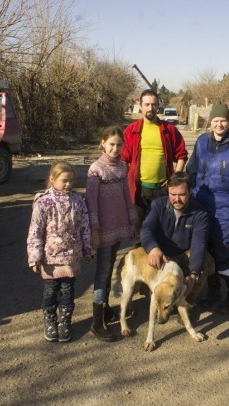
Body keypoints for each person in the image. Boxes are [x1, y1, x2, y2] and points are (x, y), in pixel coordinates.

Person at [186, 102, 229, 314]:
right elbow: (191, 171)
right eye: (216, 120)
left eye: (223, 120)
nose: (219, 124)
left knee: (224, 251)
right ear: (210, 122)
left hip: (228, 206)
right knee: (205, 250)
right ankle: (214, 290)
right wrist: (184, 196)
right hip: (201, 204)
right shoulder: (201, 141)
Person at [27, 161, 94, 342]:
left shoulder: (78, 201)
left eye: (71, 181)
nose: (68, 185)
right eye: (64, 180)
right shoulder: (44, 202)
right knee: (50, 291)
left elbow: (85, 227)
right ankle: (50, 320)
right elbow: (35, 231)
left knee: (67, 291)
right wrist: (35, 257)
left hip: (71, 256)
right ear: (52, 179)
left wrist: (88, 249)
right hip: (50, 259)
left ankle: (65, 321)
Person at [86, 126, 138, 342]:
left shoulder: (122, 167)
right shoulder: (96, 169)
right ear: (103, 143)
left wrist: (132, 219)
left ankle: (106, 308)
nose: (115, 149)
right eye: (111, 144)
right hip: (103, 229)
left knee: (108, 269)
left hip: (119, 226)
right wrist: (95, 230)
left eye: (119, 145)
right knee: (102, 272)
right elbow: (91, 202)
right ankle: (97, 322)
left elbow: (127, 194)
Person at [121, 89, 188, 226]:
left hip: (163, 190)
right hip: (138, 190)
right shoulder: (131, 131)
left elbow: (181, 155)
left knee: (162, 228)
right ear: (141, 106)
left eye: (153, 104)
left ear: (158, 106)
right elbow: (123, 160)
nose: (150, 108)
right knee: (138, 228)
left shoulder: (169, 130)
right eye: (146, 104)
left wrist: (174, 177)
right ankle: (140, 247)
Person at [141, 172, 210, 297]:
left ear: (190, 191)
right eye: (173, 194)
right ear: (168, 191)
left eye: (182, 194)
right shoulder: (157, 205)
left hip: (183, 255)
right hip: (162, 254)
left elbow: (198, 244)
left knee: (207, 261)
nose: (177, 199)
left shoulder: (200, 214)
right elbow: (146, 229)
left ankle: (188, 299)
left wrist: (194, 274)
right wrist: (153, 248)